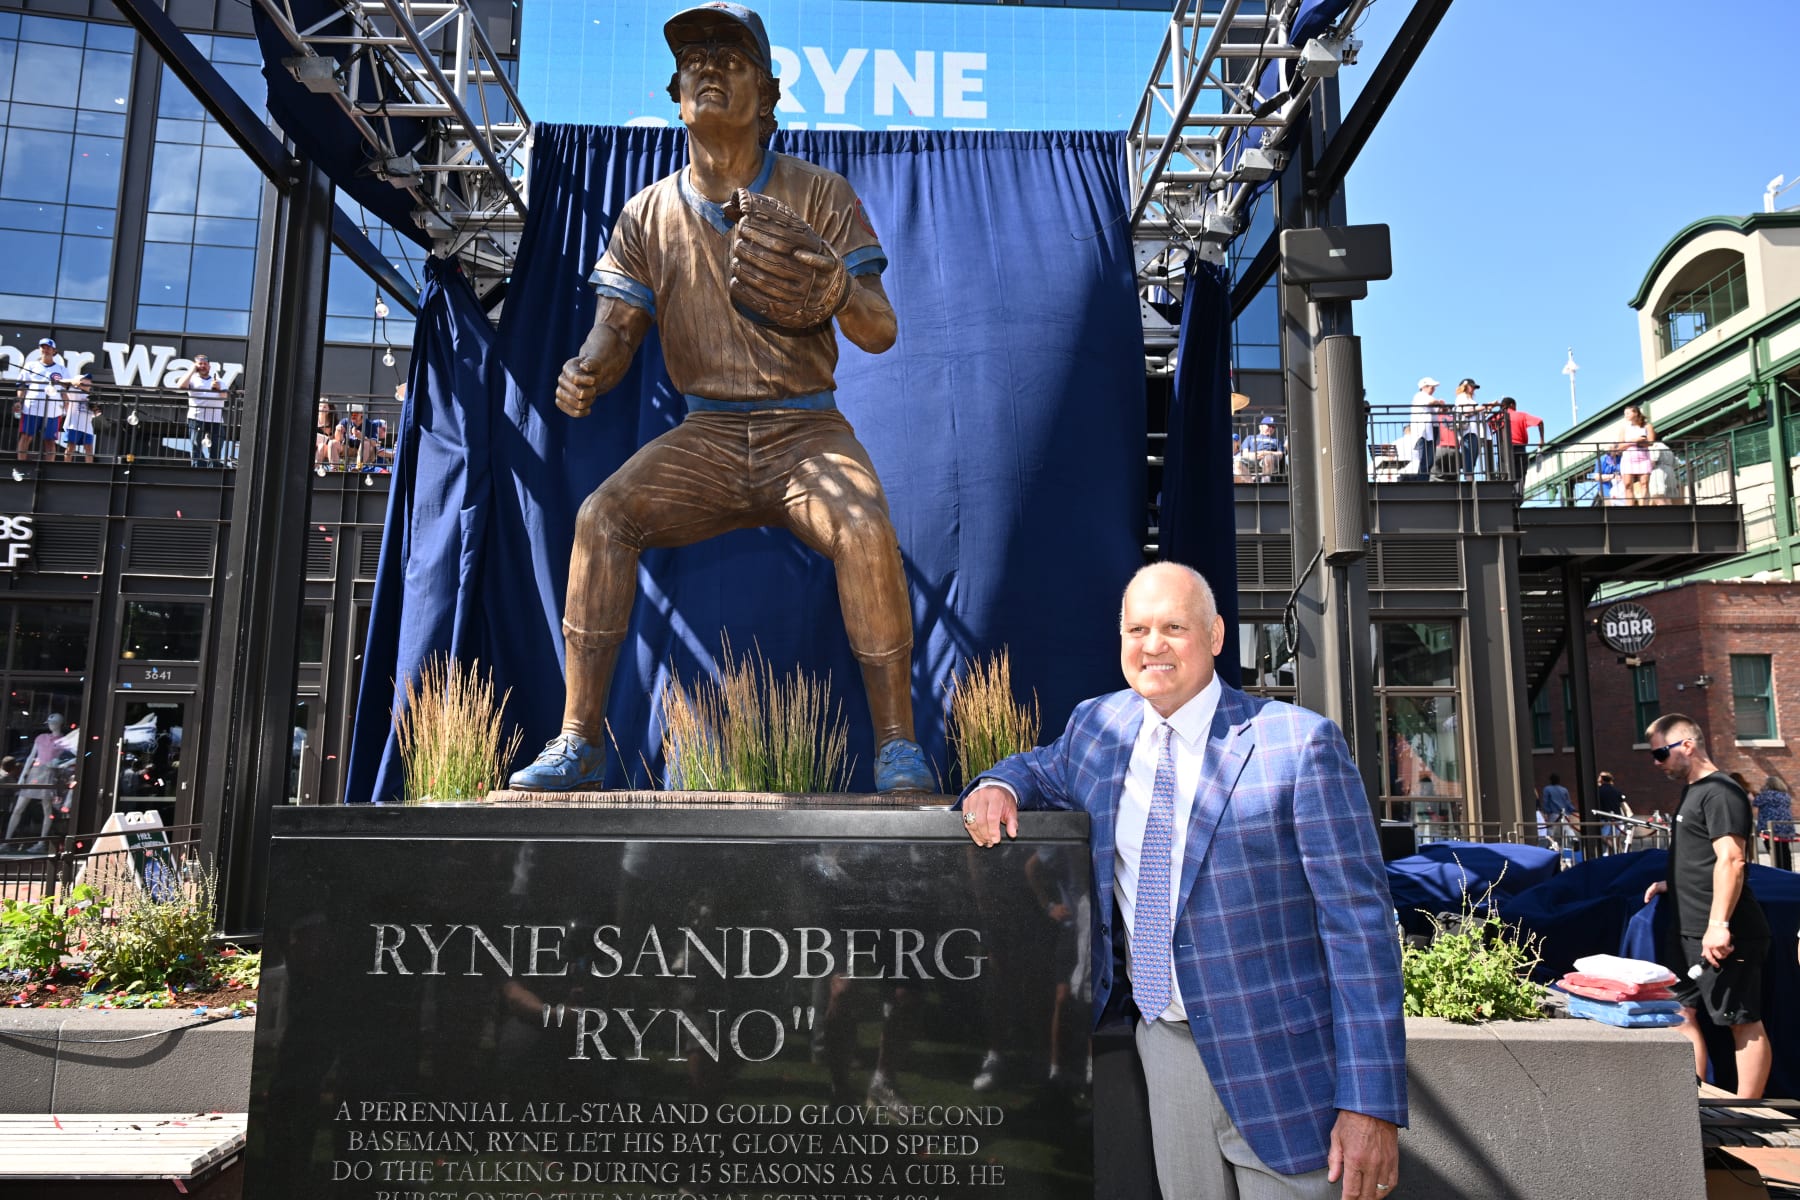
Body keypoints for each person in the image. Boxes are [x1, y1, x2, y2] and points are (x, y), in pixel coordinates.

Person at [509, 3, 930, 794]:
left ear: (768, 96)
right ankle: (579, 739)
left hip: (805, 432)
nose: (708, 66)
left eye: (731, 58)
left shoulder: (820, 192)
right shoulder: (647, 212)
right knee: (603, 517)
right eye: (695, 58)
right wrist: (589, 367)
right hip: (704, 438)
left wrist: (838, 285)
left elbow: (879, 331)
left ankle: (899, 745)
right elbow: (616, 327)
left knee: (865, 528)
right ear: (675, 94)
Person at [960, 563, 1405, 1199]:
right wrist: (998, 785)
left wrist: (1371, 1105)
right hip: (1164, 1053)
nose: (1153, 645)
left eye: (1174, 626)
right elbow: (1037, 768)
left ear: (1218, 635)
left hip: (1285, 1069)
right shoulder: (1099, 729)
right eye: (1137, 629)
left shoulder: (1299, 747)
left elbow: (1362, 935)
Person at [1641, 715, 1771, 1099]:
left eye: (1661, 753)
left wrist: (1719, 924)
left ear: (1687, 745)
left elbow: (1732, 860)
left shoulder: (1721, 792)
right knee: (1681, 1014)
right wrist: (1673, 884)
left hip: (1725, 932)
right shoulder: (1693, 792)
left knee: (1741, 1020)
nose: (1657, 762)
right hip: (1687, 929)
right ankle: (1692, 1105)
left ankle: (1748, 1117)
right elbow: (1703, 858)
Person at [15, 337, 65, 461]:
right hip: (31, 408)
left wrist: (66, 408)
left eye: (48, 348)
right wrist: (18, 401)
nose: (45, 350)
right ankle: (21, 464)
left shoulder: (62, 369)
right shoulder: (31, 365)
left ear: (54, 351)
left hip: (53, 411)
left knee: (50, 441)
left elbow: (65, 390)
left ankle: (49, 467)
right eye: (43, 347)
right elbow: (22, 385)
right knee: (26, 436)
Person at [173, 354, 227, 467]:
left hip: (216, 420)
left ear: (209, 366)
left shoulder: (219, 381)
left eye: (205, 364)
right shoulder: (192, 380)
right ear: (196, 366)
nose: (203, 366)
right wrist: (192, 369)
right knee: (196, 445)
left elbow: (225, 397)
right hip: (196, 418)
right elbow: (180, 387)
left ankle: (214, 469)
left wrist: (218, 389)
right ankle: (198, 468)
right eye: (200, 364)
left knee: (216, 447)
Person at [1614, 404, 1656, 506]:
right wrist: (1634, 441)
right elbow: (1619, 447)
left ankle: (1644, 507)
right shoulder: (1624, 428)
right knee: (1628, 484)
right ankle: (1630, 508)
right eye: (1625, 414)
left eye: (1628, 413)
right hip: (1629, 458)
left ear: (1636, 413)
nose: (1626, 415)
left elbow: (1650, 442)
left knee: (1644, 483)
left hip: (1643, 457)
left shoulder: (1647, 426)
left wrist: (1641, 441)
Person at [1498, 397, 1543, 487]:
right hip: (1520, 448)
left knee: (1505, 473)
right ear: (1512, 405)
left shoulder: (1499, 417)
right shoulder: (1521, 415)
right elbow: (1540, 422)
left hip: (1504, 449)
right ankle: (1518, 494)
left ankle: (1506, 491)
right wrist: (1541, 439)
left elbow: (1488, 426)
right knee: (1520, 475)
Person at [1752, 773, 1793, 871]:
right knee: (1785, 850)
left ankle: (1779, 870)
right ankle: (1788, 870)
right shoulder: (1786, 795)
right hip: (1785, 828)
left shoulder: (1767, 795)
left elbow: (1755, 802)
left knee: (1774, 851)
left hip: (1770, 828)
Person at [1451, 378, 1490, 479]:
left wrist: (1488, 408)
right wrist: (1482, 407)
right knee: (1469, 455)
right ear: (1465, 386)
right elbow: (1465, 411)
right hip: (1468, 431)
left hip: (1474, 431)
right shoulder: (1461, 397)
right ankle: (1469, 478)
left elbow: (1476, 413)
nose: (1473, 389)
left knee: (1473, 456)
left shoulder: (1470, 399)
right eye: (1471, 386)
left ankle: (1469, 477)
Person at [1407, 376, 1440, 480]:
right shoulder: (1420, 395)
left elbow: (1437, 410)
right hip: (1423, 432)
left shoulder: (1427, 397)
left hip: (1430, 431)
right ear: (1424, 387)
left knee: (1429, 460)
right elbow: (1431, 403)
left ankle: (1424, 479)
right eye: (1432, 387)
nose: (1434, 389)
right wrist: (1438, 402)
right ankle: (1421, 481)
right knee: (1424, 459)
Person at [60, 373, 96, 463]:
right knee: (70, 447)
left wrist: (96, 412)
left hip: (87, 427)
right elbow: (61, 382)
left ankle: (89, 469)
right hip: (74, 424)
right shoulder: (74, 391)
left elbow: (92, 413)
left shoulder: (92, 396)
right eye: (85, 380)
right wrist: (73, 381)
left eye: (89, 381)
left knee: (89, 449)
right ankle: (66, 466)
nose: (89, 382)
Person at [1595, 770, 1628, 852]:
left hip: (1604, 819)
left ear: (1601, 779)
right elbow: (1622, 804)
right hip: (1618, 818)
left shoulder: (1598, 791)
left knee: (1603, 837)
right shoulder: (1617, 791)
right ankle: (1619, 853)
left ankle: (1616, 851)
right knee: (1615, 839)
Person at [1539, 772, 1575, 842]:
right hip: (1564, 812)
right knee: (1567, 828)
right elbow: (1568, 801)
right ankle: (1574, 839)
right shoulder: (1564, 789)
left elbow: (1546, 801)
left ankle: (1551, 843)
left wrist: (1546, 812)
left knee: (1550, 829)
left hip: (1553, 813)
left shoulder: (1547, 789)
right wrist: (1571, 810)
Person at [314, 397, 337, 466]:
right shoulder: (313, 419)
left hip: (327, 447)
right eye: (320, 406)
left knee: (322, 446)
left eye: (325, 407)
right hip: (313, 445)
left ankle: (316, 468)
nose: (322, 409)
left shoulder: (333, 422)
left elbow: (335, 439)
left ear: (329, 409)